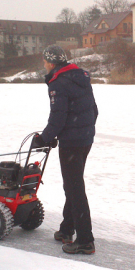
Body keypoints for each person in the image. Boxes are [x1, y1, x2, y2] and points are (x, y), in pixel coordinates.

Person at [32, 45, 98, 255]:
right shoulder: (81, 78)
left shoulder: (58, 83)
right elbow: (94, 110)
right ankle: (67, 229)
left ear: (51, 63)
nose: (44, 64)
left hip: (72, 141)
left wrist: (44, 138)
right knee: (73, 185)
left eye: (45, 61)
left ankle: (85, 240)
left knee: (74, 188)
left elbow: (58, 117)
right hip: (85, 139)